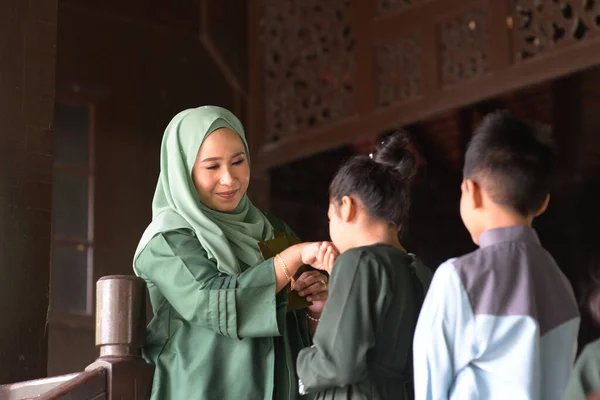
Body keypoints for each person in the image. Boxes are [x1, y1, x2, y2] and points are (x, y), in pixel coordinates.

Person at [133, 105, 336, 400]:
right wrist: (289, 261)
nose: (229, 179)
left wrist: (315, 308)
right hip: (203, 390)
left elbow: (295, 329)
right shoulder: (167, 240)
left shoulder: (273, 229)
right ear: (184, 170)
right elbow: (209, 301)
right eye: (212, 167)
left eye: (238, 161)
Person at [413, 111, 580, 400]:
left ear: (471, 191)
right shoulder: (561, 284)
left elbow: (430, 388)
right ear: (542, 204)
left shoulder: (457, 279)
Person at [295, 131, 432, 399]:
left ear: (346, 207)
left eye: (330, 217)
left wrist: (302, 362)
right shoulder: (419, 271)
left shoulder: (358, 261)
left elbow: (338, 361)